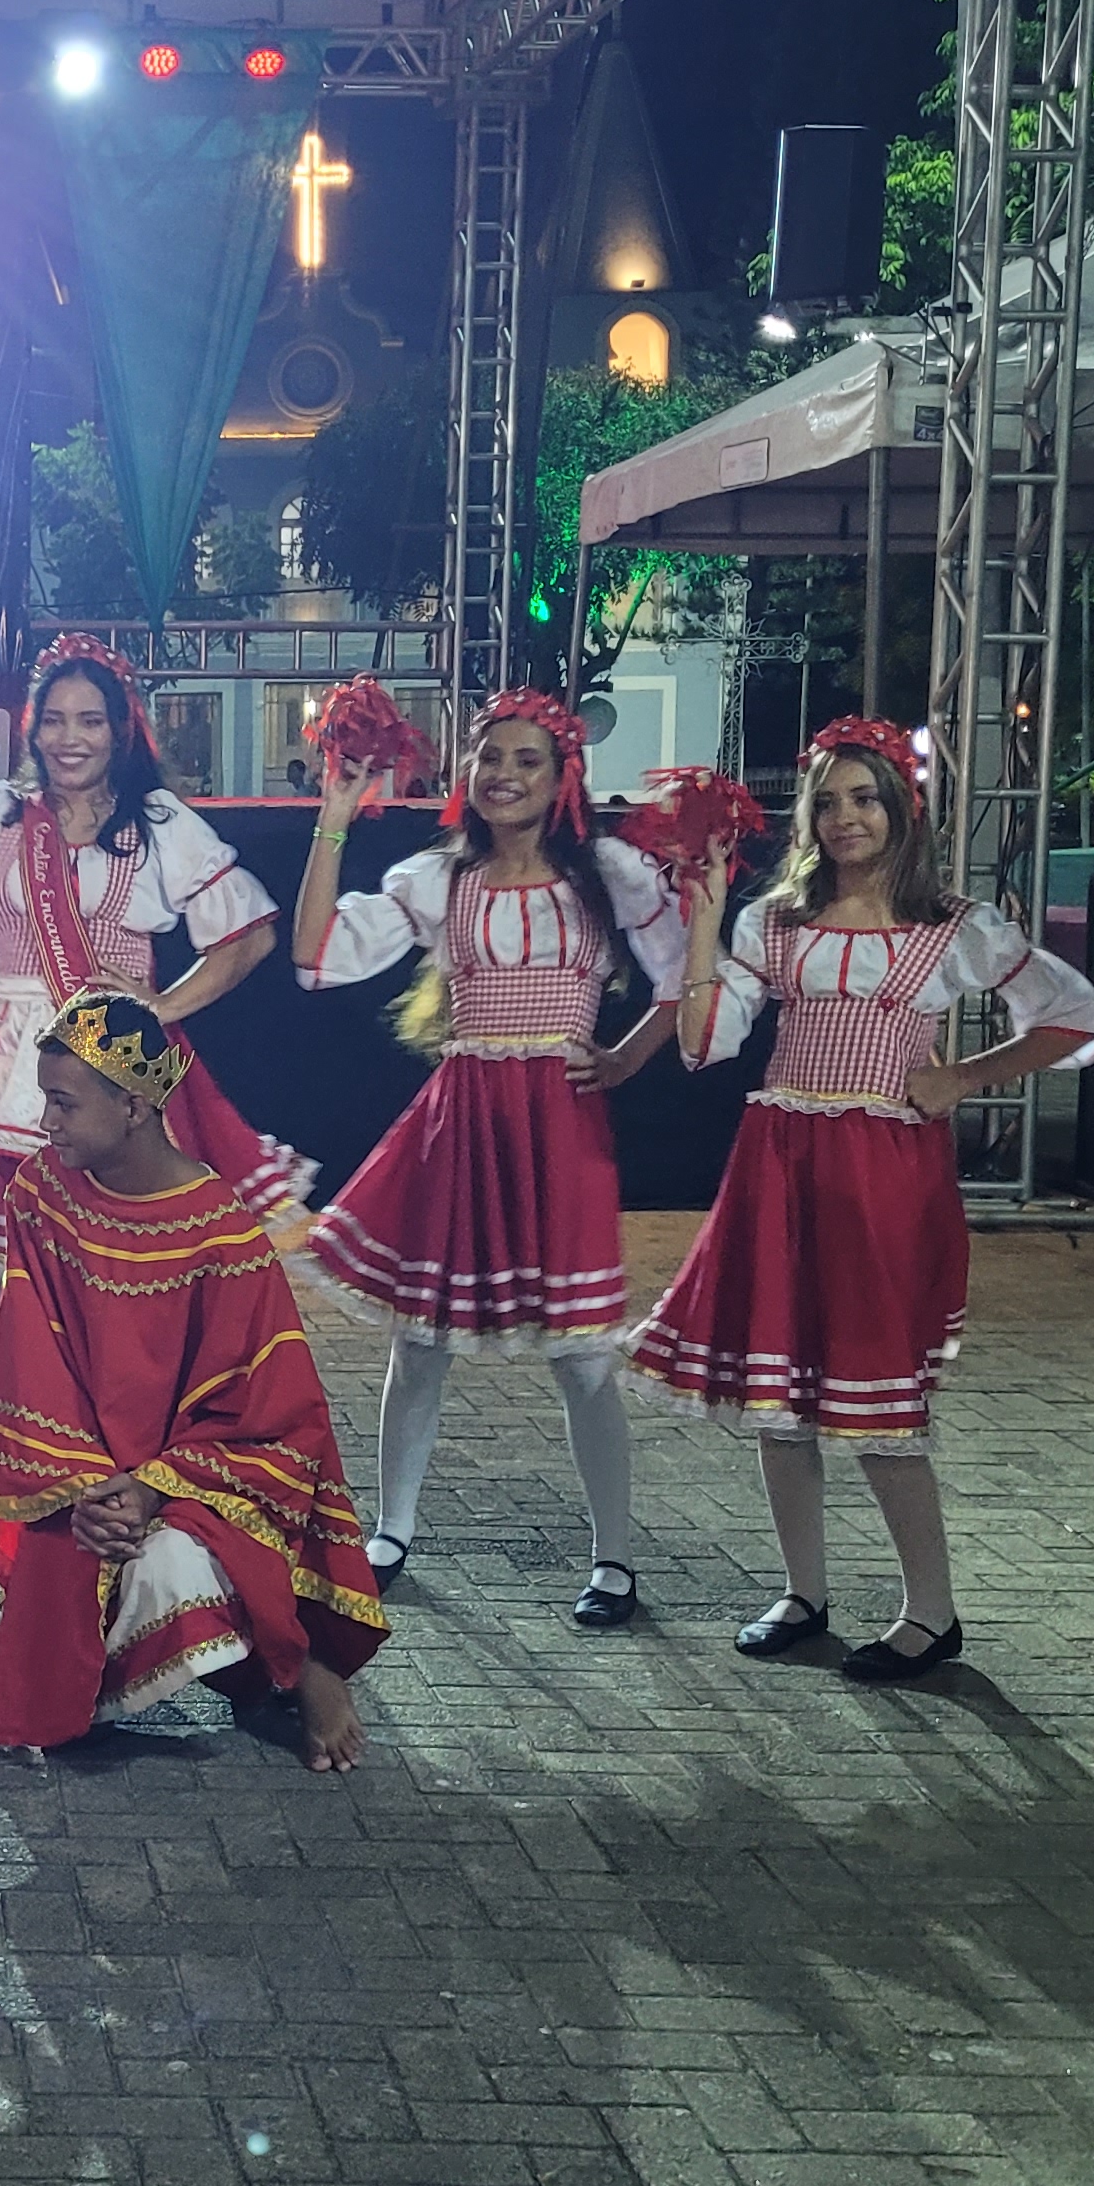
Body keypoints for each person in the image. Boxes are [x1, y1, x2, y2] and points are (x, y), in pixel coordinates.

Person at [630, 718, 1094, 1682]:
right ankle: (802, 1591)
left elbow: (1075, 1017)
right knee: (779, 1395)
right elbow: (702, 1043)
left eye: (864, 798)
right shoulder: (776, 921)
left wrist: (963, 1076)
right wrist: (706, 913)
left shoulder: (952, 925)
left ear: (902, 809)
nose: (845, 817)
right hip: (781, 1161)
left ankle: (930, 1611)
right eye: (827, 801)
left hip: (881, 1170)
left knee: (878, 1401)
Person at [287, 690, 689, 1618]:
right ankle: (390, 1530)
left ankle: (613, 1559)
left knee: (582, 1355)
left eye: (527, 760)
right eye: (490, 758)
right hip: (463, 1119)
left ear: (563, 777)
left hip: (559, 1128)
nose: (504, 775)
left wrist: (624, 1059)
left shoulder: (608, 873)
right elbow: (315, 957)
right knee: (421, 1340)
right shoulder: (441, 877)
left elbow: (682, 976)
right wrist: (334, 820)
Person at [0, 631, 303, 1436]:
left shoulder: (159, 823)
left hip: (114, 1069)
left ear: (120, 730)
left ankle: (116, 1451)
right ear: (33, 727)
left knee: (116, 1271)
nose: (71, 738)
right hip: (9, 1067)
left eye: (90, 721)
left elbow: (249, 936)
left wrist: (165, 1007)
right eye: (55, 719)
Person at [0, 992, 388, 1768]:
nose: (45, 1123)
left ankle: (300, 1666)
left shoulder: (223, 1232)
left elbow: (273, 1418)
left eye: (62, 1103)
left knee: (175, 1568)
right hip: (80, 1477)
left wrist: (152, 1488)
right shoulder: (39, 1195)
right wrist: (91, 1492)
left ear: (133, 1105)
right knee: (55, 1685)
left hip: (194, 1484)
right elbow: (32, 1365)